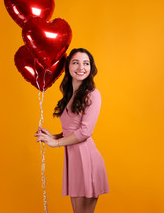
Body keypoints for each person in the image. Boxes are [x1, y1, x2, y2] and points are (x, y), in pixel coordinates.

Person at [35, 48, 109, 213]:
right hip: (74, 161)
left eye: (86, 63)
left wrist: (56, 143)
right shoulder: (69, 95)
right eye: (76, 62)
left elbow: (84, 132)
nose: (81, 67)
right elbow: (72, 129)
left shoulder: (93, 95)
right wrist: (52, 136)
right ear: (68, 67)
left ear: (91, 68)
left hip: (86, 160)